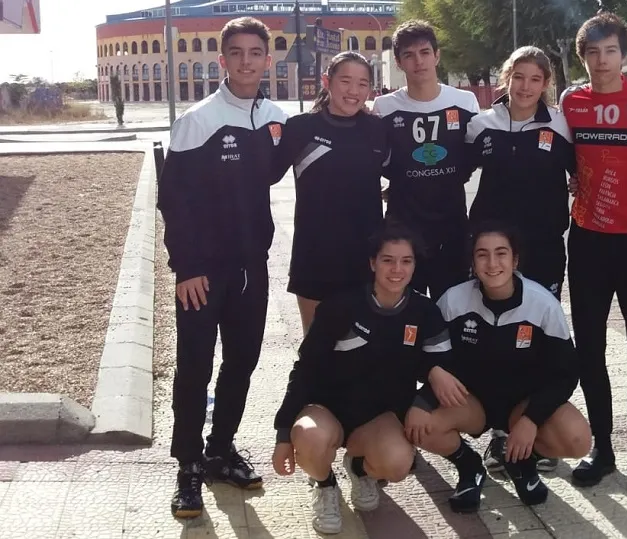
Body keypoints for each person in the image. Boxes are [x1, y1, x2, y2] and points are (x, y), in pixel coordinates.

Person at [157, 16, 288, 519]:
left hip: (251, 266)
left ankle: (220, 450)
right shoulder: (198, 120)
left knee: (242, 361)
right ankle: (188, 465)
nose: (246, 61)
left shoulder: (275, 118)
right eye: (236, 53)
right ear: (223, 60)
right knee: (195, 366)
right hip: (202, 272)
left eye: (255, 53)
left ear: (267, 60)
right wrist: (187, 266)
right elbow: (175, 200)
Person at [271, 219, 468, 534]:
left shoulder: (425, 311)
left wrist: (423, 400)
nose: (397, 269)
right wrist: (283, 432)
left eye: (406, 261)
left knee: (399, 462)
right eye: (388, 260)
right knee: (308, 436)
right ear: (373, 263)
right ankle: (324, 484)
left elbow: (442, 364)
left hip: (379, 419)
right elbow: (306, 368)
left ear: (415, 265)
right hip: (327, 410)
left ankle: (359, 469)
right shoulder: (340, 307)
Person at [407, 221, 592, 513]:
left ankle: (521, 461)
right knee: (418, 422)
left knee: (578, 439)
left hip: (522, 404)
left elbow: (566, 374)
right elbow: (423, 354)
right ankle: (469, 467)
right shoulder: (453, 301)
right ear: (472, 262)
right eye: (482, 254)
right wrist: (431, 374)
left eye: (501, 253)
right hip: (471, 403)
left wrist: (531, 419)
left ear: (515, 260)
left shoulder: (542, 304)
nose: (492, 263)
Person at [558, 12, 627, 492]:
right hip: (588, 240)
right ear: (583, 57)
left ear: (624, 55)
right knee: (590, 349)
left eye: (611, 51)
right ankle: (603, 448)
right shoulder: (571, 102)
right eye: (593, 52)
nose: (602, 61)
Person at [464, 46, 574, 474]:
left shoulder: (560, 125)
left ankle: (536, 425)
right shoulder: (482, 124)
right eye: (519, 77)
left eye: (535, 79)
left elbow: (586, 171)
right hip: (494, 253)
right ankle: (500, 431)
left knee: (538, 336)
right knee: (498, 338)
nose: (526, 86)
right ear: (506, 78)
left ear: (546, 84)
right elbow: (453, 174)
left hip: (544, 249)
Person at [274, 51, 388, 333]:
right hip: (315, 255)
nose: (354, 91)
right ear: (327, 81)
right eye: (345, 81)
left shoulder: (377, 129)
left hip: (365, 257)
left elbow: (402, 175)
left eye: (362, 84)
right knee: (316, 346)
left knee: (364, 345)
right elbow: (263, 175)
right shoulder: (300, 128)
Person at [371, 19, 481, 301]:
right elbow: (375, 160)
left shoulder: (465, 102)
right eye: (409, 55)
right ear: (398, 63)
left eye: (424, 52)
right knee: (405, 310)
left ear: (437, 56)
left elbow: (474, 158)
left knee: (453, 308)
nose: (418, 61)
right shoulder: (384, 107)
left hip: (452, 226)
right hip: (403, 228)